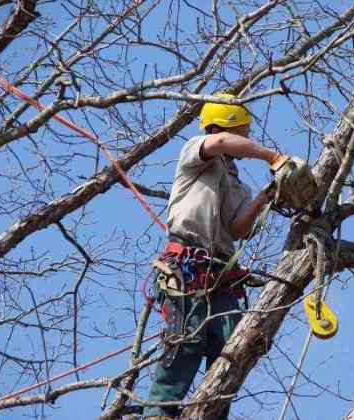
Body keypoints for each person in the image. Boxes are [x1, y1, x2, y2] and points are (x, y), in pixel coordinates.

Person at [143, 94, 288, 420]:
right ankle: (158, 412)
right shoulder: (197, 152)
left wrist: (268, 194)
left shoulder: (237, 185)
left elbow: (237, 229)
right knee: (188, 338)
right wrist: (272, 156)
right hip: (186, 266)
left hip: (221, 274)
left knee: (232, 348)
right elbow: (220, 141)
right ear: (227, 125)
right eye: (243, 132)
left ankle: (212, 414)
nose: (245, 140)